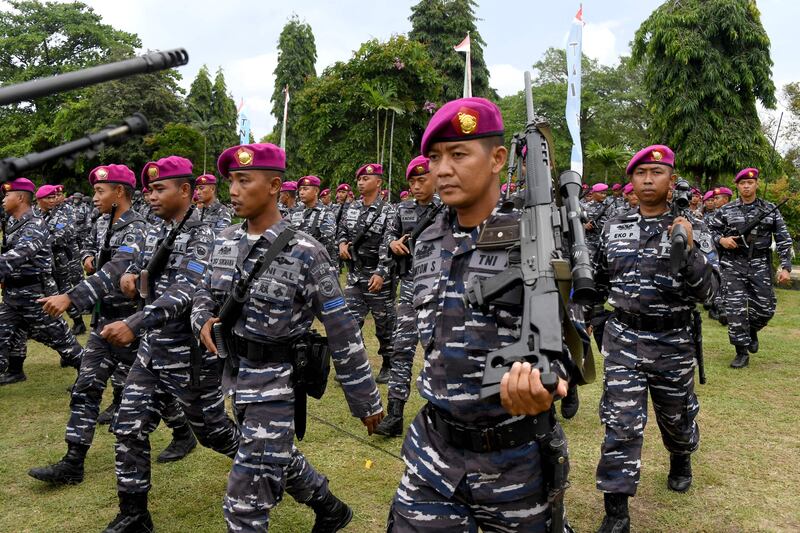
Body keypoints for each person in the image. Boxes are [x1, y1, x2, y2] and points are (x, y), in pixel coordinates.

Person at [387, 97, 570, 531]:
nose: (442, 169)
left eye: (459, 154)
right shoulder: (428, 237)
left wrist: (547, 378)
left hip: (514, 463)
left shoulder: (535, 232)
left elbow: (566, 334)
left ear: (497, 159)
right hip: (434, 456)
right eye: (435, 157)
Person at [195, 142, 384, 532]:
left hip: (278, 387)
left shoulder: (306, 252)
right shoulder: (225, 240)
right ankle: (328, 506)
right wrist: (201, 319)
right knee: (271, 453)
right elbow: (202, 291)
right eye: (231, 180)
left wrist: (365, 400)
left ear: (274, 186)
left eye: (244, 180)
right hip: (235, 378)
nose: (233, 189)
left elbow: (342, 329)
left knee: (243, 505)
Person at [99, 156, 241, 532]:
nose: (151, 195)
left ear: (185, 191)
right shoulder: (155, 231)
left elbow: (187, 290)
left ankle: (305, 485)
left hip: (190, 358)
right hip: (152, 352)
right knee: (128, 426)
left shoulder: (210, 236)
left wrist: (135, 321)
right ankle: (134, 515)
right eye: (148, 189)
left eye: (160, 188)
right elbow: (145, 274)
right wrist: (131, 279)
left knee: (217, 434)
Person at [592, 145, 719, 533]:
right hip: (624, 339)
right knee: (621, 424)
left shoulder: (693, 226)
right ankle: (616, 511)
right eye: (641, 172)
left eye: (657, 172)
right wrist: (598, 321)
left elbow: (711, 292)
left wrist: (690, 246)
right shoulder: (613, 226)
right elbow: (595, 280)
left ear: (670, 180)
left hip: (674, 341)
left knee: (676, 419)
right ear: (631, 181)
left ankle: (681, 456)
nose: (648, 179)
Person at [28, 164, 151, 485]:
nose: (95, 197)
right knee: (86, 388)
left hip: (132, 326)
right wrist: (86, 257)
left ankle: (183, 431)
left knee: (156, 398)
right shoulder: (101, 222)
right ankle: (73, 462)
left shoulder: (137, 227)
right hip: (105, 321)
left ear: (119, 192)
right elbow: (92, 249)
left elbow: (116, 267)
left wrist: (71, 297)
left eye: (100, 191)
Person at [374, 156, 440, 437]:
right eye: (411, 181)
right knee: (402, 349)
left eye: (421, 179)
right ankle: (395, 414)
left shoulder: (448, 208)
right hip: (411, 287)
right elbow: (388, 235)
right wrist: (392, 243)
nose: (415, 186)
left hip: (441, 288)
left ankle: (440, 411)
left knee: (438, 352)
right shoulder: (402, 210)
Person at [0, 179, 83, 385]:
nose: (2, 200)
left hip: (36, 295)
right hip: (13, 295)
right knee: (5, 332)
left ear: (20, 198)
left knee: (60, 339)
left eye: (6, 196)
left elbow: (18, 255)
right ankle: (15, 370)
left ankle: (89, 372)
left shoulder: (35, 225)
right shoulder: (12, 223)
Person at [708, 167, 793, 368]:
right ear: (737, 186)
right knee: (735, 310)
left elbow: (783, 239)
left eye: (750, 183)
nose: (746, 186)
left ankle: (751, 330)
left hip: (759, 264)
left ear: (756, 184)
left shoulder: (769, 209)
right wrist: (722, 240)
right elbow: (709, 231)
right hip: (732, 264)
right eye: (742, 183)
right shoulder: (726, 210)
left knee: (765, 308)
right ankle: (741, 351)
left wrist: (785, 267)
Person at [337, 164, 397, 383]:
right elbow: (341, 230)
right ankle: (357, 365)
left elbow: (388, 242)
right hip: (355, 274)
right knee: (350, 322)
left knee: (384, 324)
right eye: (359, 179)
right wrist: (342, 243)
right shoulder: (351, 207)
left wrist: (381, 272)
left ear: (378, 182)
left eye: (366, 178)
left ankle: (389, 365)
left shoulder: (389, 210)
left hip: (377, 275)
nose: (361, 182)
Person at [289, 175, 338, 260]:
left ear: (316, 191)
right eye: (300, 189)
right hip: (297, 259)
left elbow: (327, 243)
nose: (301, 192)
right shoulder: (296, 212)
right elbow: (289, 235)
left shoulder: (326, 213)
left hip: (318, 261)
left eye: (305, 189)